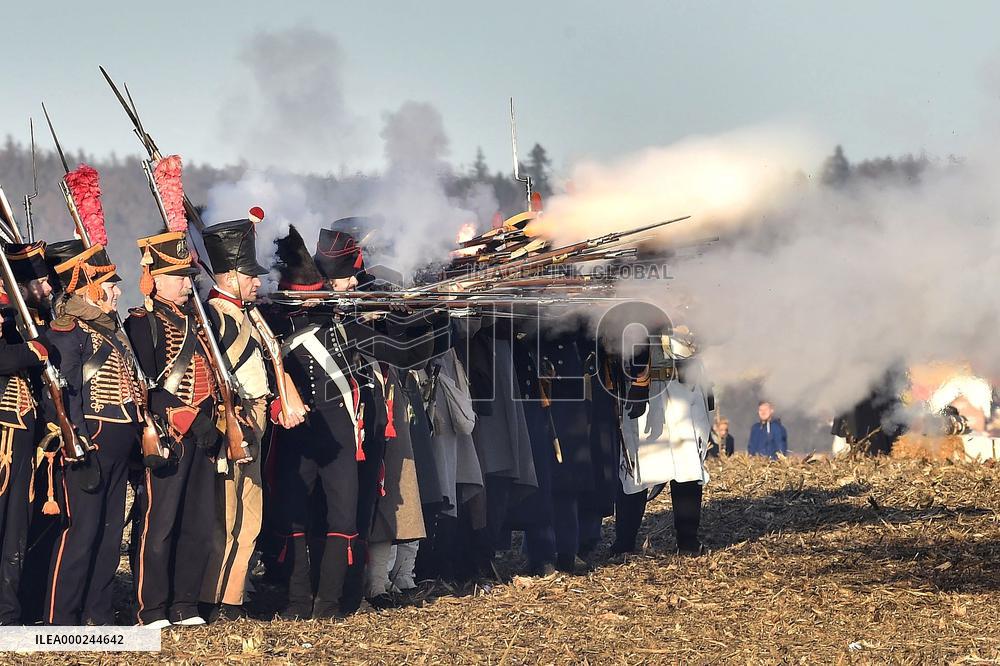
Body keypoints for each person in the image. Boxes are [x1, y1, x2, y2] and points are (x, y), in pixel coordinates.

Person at [199, 217, 302, 623]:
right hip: (232, 424)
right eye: (250, 276)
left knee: (250, 514)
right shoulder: (215, 317)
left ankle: (234, 597)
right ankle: (214, 596)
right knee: (227, 515)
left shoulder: (249, 315)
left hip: (255, 420)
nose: (258, 282)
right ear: (229, 275)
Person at [43, 242, 143, 625]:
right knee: (81, 536)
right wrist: (77, 439)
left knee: (107, 537)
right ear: (89, 291)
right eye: (110, 285)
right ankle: (61, 620)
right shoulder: (71, 332)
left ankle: (97, 615)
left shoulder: (111, 331)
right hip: (89, 445)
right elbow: (63, 394)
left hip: (119, 444)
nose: (118, 291)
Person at [125, 231, 220, 628]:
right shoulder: (144, 323)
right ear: (154, 278)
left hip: (204, 434)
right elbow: (146, 385)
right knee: (158, 526)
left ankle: (184, 604)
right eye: (178, 275)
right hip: (169, 436)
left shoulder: (198, 321)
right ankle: (152, 609)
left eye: (188, 275)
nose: (187, 282)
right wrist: (190, 419)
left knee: (197, 522)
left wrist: (215, 420)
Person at [615, 329, 713, 556]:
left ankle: (688, 541)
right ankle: (624, 542)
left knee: (687, 466)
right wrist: (639, 382)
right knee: (635, 468)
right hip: (642, 387)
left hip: (683, 387)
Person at [0, 242, 52, 624]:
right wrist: (33, 351)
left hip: (19, 438)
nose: (2, 320)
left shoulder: (15, 332)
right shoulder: (16, 345)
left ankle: (8, 612)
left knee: (15, 530)